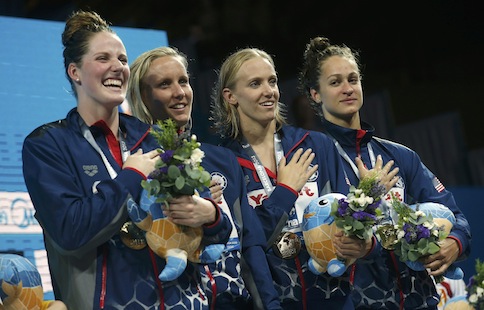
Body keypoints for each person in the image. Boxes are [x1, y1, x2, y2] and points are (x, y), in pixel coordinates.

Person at [21, 10, 231, 309]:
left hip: (180, 300)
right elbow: (70, 232)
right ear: (75, 72)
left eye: (121, 59)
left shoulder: (157, 139)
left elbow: (214, 236)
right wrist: (131, 176)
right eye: (103, 58)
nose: (117, 67)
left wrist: (210, 215)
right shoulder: (49, 145)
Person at [210, 47, 400, 309]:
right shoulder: (224, 163)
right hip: (271, 302)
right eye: (255, 84)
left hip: (335, 297)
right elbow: (242, 245)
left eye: (272, 81)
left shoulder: (314, 146)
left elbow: (349, 222)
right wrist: (285, 191)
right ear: (230, 96)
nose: (269, 91)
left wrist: (367, 199)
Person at [298, 36, 472, 309]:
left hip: (420, 300)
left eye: (353, 79)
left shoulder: (399, 156)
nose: (347, 89)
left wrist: (455, 242)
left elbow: (454, 215)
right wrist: (368, 198)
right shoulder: (309, 161)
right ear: (315, 94)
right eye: (335, 82)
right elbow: (316, 242)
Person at [126, 46, 280, 310]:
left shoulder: (222, 160)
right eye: (165, 84)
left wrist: (271, 304)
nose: (179, 93)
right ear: (143, 96)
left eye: (183, 81)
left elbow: (251, 244)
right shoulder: (134, 166)